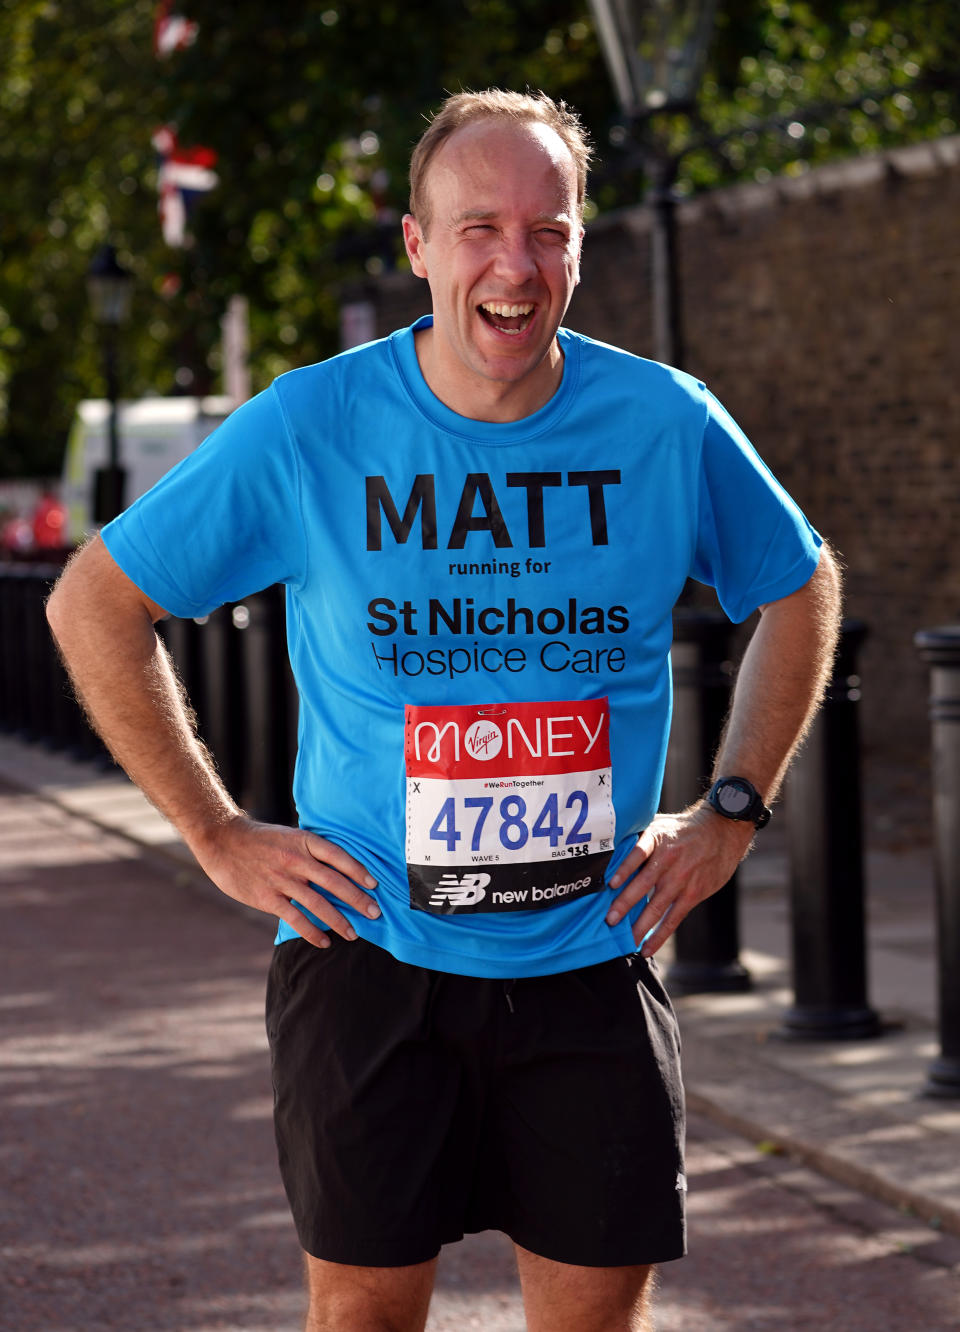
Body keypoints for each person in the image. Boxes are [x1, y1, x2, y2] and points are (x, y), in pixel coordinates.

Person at [47, 89, 842, 1332]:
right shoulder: (316, 424)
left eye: (549, 230)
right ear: (418, 246)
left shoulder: (665, 424)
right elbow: (93, 602)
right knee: (362, 1316)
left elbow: (799, 586)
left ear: (580, 245)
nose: (515, 264)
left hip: (590, 961)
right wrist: (213, 831)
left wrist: (733, 807)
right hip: (367, 960)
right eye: (478, 228)